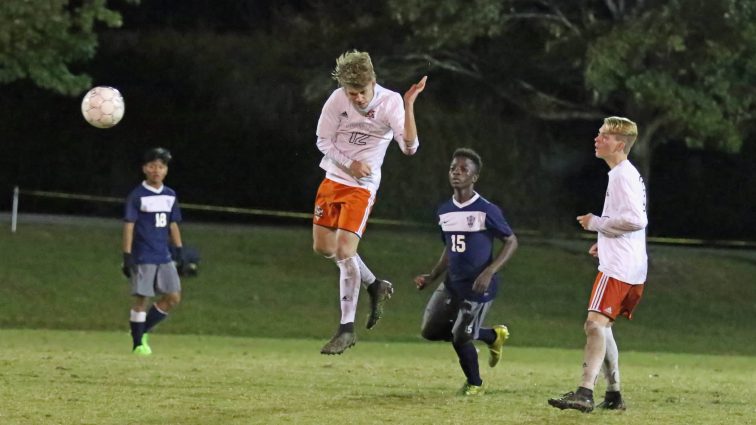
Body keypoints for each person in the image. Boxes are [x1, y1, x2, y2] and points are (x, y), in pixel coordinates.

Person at [313, 50, 427, 355]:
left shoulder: (390, 103)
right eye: (352, 93)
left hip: (361, 188)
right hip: (332, 180)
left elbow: (410, 148)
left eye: (362, 92)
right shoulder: (338, 100)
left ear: (372, 82)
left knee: (345, 252)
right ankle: (375, 284)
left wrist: (409, 105)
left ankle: (345, 329)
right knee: (324, 248)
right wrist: (349, 163)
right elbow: (322, 140)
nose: (357, 99)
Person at [548, 116, 647, 412]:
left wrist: (596, 224)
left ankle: (585, 392)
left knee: (594, 325)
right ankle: (614, 395)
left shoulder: (620, 175)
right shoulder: (624, 173)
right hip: (629, 264)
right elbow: (630, 221)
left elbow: (636, 220)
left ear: (619, 143)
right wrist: (604, 240)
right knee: (602, 328)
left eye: (603, 135)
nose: (597, 138)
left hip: (618, 268)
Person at [413, 148, 518, 396]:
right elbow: (450, 248)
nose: (457, 173)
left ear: (474, 177)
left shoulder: (486, 210)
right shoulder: (445, 211)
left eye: (464, 169)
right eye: (453, 168)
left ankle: (475, 384)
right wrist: (432, 276)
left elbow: (512, 241)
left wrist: (490, 271)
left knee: (461, 338)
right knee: (430, 331)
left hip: (478, 288)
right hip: (452, 283)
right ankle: (492, 335)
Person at [122, 147, 184, 356]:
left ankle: (141, 331)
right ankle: (138, 344)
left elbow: (172, 224)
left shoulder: (170, 195)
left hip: (163, 255)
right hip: (143, 255)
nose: (156, 170)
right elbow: (129, 225)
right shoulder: (137, 195)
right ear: (144, 169)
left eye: (161, 166)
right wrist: (127, 254)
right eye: (152, 166)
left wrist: (179, 249)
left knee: (173, 297)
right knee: (142, 298)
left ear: (165, 170)